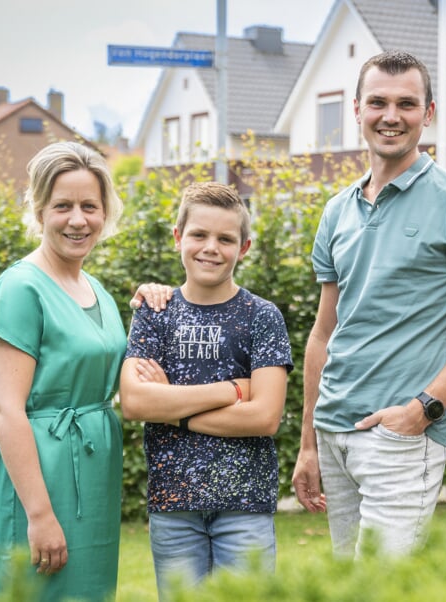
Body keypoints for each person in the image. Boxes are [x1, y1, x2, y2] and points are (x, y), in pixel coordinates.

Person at [291, 50, 446, 557]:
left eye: (406, 104)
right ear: (357, 109)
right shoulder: (337, 210)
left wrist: (423, 409)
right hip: (334, 431)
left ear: (428, 113)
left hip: (401, 434)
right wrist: (308, 442)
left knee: (385, 585)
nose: (391, 116)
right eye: (378, 103)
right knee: (351, 588)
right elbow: (324, 333)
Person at [119, 181, 293, 596]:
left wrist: (172, 408)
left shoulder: (262, 316)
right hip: (174, 507)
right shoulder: (154, 312)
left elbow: (264, 417)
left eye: (225, 239)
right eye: (199, 234)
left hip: (245, 506)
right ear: (179, 237)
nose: (210, 247)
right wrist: (231, 390)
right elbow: (135, 401)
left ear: (244, 248)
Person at [0, 141, 127, 601]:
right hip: (41, 479)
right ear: (40, 210)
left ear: (106, 213)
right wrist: (39, 515)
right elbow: (5, 408)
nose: (78, 219)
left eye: (90, 206)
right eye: (63, 206)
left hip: (95, 478)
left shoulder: (96, 288)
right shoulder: (21, 288)